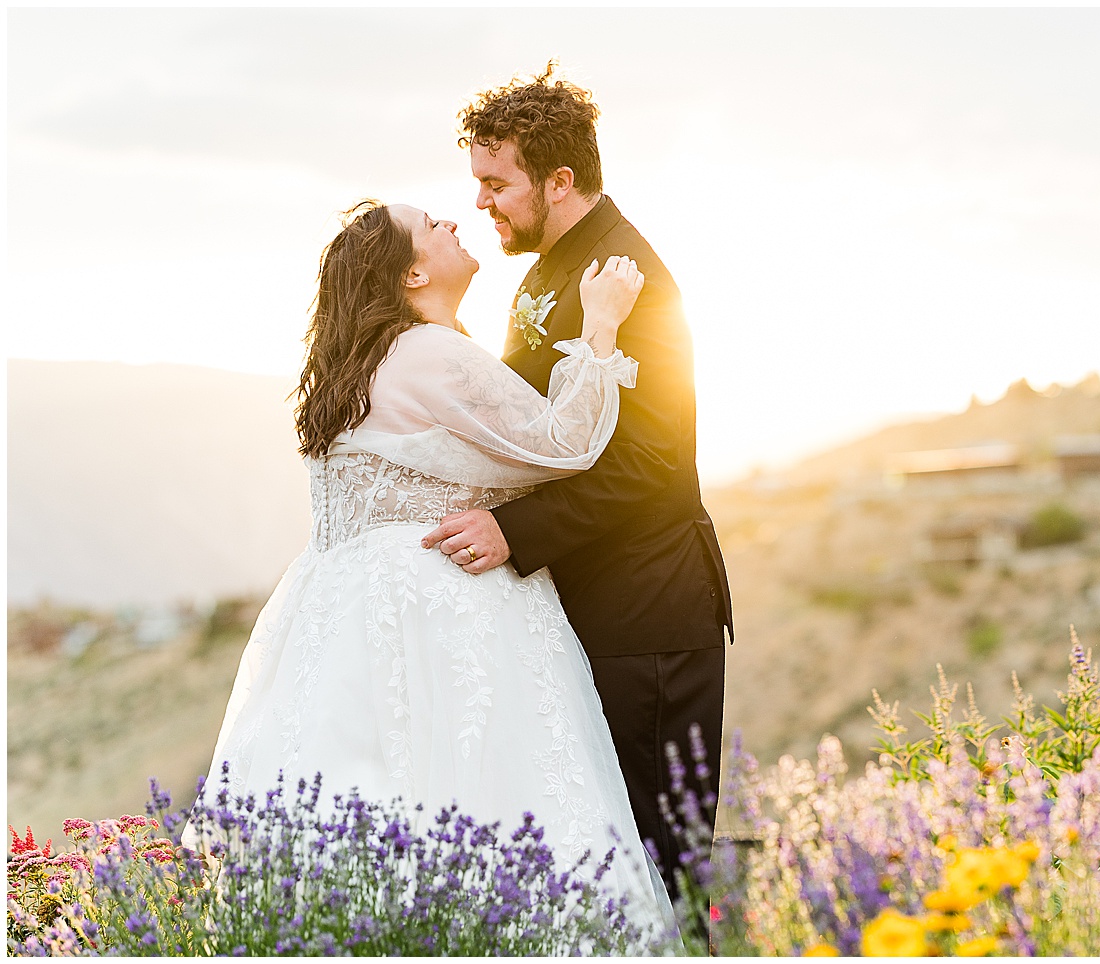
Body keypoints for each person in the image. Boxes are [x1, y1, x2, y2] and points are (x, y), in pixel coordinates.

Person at [191, 199, 675, 934]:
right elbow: (564, 443)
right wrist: (602, 320)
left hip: (342, 620)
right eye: (433, 226)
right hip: (449, 609)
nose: (454, 221)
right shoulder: (430, 352)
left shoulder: (363, 367)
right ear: (413, 271)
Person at [422, 65, 732, 897]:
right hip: (589, 608)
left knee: (661, 871)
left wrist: (513, 534)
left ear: (559, 181)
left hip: (648, 618)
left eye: (497, 183)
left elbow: (653, 466)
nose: (483, 202)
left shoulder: (632, 278)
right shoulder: (549, 268)